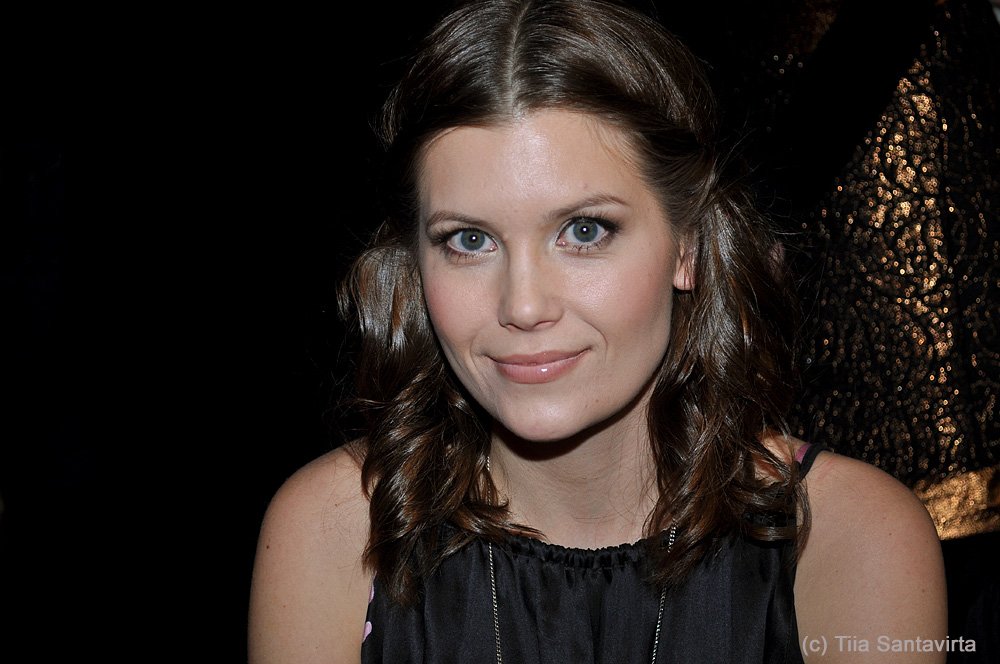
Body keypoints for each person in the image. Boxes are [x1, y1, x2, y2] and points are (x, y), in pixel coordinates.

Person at [247, 1, 947, 662]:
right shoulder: (334, 529)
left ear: (688, 246)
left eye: (584, 231)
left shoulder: (850, 537)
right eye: (468, 240)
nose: (524, 306)